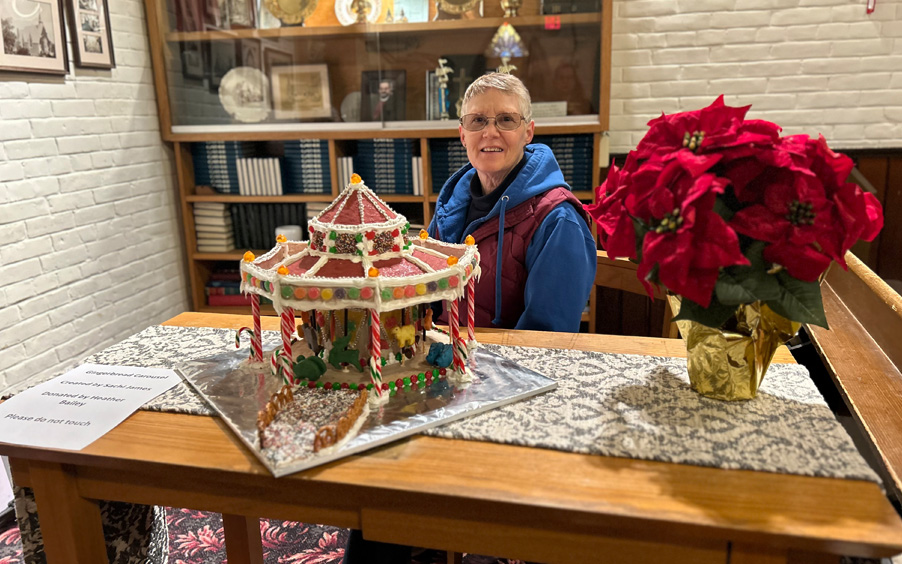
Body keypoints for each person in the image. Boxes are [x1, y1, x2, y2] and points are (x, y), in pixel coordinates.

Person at [428, 72, 596, 332]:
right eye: (478, 121)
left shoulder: (558, 221)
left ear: (528, 132)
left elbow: (546, 342)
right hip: (439, 359)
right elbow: (425, 299)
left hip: (502, 368)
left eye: (506, 120)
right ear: (463, 135)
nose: (490, 132)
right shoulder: (450, 204)